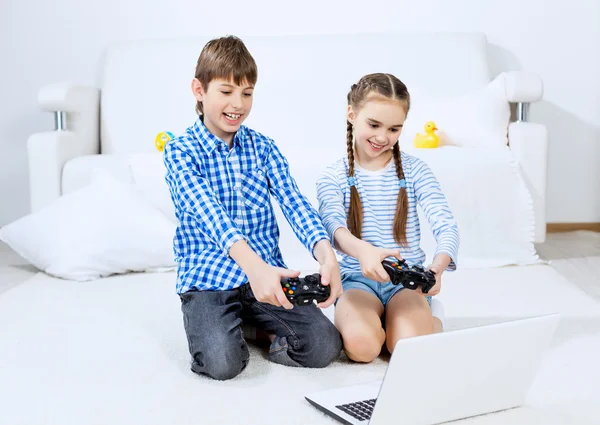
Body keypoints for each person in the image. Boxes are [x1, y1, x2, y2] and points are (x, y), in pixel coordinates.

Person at [163, 35, 343, 380]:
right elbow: (209, 214)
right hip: (208, 280)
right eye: (227, 91)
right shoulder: (180, 151)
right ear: (199, 90)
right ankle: (230, 328)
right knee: (221, 363)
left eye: (247, 93)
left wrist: (325, 253)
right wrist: (253, 267)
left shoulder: (263, 147)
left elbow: (294, 202)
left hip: (266, 278)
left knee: (323, 346)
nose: (238, 104)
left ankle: (256, 326)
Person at [316, 73, 459, 363]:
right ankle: (378, 323)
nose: (383, 137)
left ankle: (428, 317)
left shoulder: (416, 170)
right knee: (362, 348)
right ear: (351, 114)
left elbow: (446, 225)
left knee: (406, 349)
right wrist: (364, 252)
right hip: (357, 279)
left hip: (405, 281)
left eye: (394, 129)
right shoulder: (333, 176)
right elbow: (333, 228)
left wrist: (437, 267)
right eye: (374, 125)